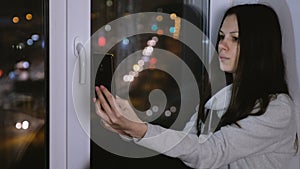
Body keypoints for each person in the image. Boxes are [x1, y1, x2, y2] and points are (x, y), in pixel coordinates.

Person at [94, 4, 298, 169]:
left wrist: (139, 129)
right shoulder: (219, 96)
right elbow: (186, 145)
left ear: (258, 46)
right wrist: (130, 124)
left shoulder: (277, 109)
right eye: (221, 36)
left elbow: (210, 153)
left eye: (234, 38)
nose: (222, 45)